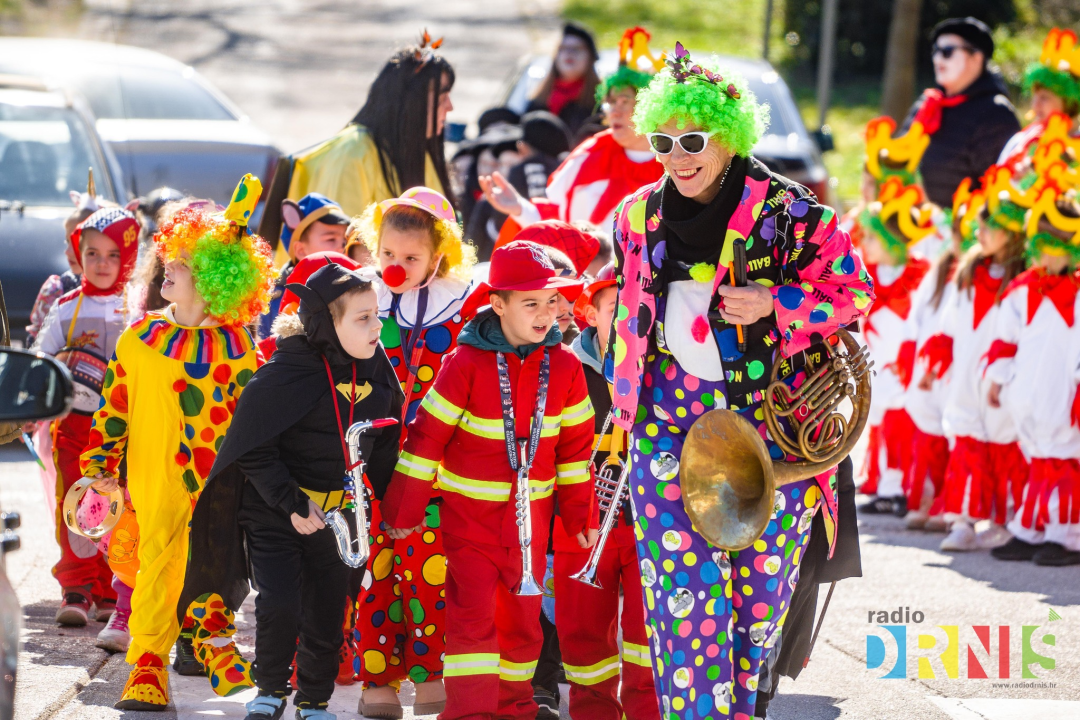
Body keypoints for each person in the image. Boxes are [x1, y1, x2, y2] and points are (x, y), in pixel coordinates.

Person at [605, 43, 873, 719]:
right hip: (666, 420)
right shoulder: (635, 217)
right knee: (682, 599)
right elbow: (628, 305)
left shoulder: (792, 213)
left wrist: (776, 304)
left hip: (771, 427)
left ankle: (744, 707)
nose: (677, 156)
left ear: (728, 137)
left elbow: (856, 293)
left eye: (692, 140)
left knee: (756, 607)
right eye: (663, 141)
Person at [379, 240, 598, 720]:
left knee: (523, 623)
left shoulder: (565, 366)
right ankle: (470, 713)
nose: (546, 313)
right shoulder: (466, 362)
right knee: (473, 620)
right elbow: (426, 439)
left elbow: (577, 451)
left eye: (552, 301)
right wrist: (403, 510)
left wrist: (581, 514)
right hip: (470, 523)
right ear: (497, 304)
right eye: (530, 303)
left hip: (531, 527)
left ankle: (515, 709)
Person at [80, 175, 274, 710]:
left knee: (218, 563)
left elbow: (254, 422)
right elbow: (113, 408)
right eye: (173, 256)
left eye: (185, 263)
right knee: (158, 565)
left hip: (219, 484)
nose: (171, 266)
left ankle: (212, 639)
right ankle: (146, 662)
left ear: (217, 281)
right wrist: (99, 465)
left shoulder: (240, 349)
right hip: (153, 479)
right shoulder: (139, 340)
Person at [196, 262, 403, 720]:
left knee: (329, 609)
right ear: (326, 323)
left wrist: (394, 504)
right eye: (363, 318)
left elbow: (387, 445)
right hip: (275, 510)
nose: (377, 326)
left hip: (338, 513)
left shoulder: (378, 371)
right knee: (281, 602)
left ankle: (314, 700)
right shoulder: (284, 372)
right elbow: (250, 447)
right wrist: (290, 502)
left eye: (377, 314)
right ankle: (269, 690)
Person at [352, 186, 475, 717]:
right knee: (373, 571)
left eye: (411, 257)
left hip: (435, 463)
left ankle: (432, 674)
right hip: (370, 462)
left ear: (438, 255)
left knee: (429, 568)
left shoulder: (464, 300)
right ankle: (376, 681)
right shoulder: (360, 298)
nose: (395, 266)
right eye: (387, 255)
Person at [550, 263, 659, 720]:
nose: (629, 319)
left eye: (640, 309)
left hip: (651, 518)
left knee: (647, 635)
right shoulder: (563, 366)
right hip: (582, 520)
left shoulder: (666, 368)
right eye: (617, 308)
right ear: (589, 314)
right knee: (582, 635)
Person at [32, 207, 140, 633]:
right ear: (78, 254)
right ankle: (77, 588)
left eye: (113, 255)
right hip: (75, 428)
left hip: (124, 434)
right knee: (74, 505)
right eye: (92, 253)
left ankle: (116, 587)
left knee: (118, 509)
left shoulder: (140, 310)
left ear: (129, 258)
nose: (100, 264)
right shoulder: (64, 308)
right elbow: (41, 362)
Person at [259, 34, 456, 243]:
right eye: (442, 97)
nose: (450, 107)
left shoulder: (417, 154)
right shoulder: (353, 153)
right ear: (409, 103)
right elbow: (339, 251)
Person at [482, 27, 665, 245]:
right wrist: (519, 208)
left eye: (625, 102)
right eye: (610, 102)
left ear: (650, 108)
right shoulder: (590, 153)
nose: (614, 111)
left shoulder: (678, 160)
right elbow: (557, 220)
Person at [926, 189, 1028, 552]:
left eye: (989, 226)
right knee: (966, 442)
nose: (979, 233)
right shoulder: (967, 272)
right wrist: (936, 357)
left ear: (1013, 234)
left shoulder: (1022, 282)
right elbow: (950, 323)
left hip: (1003, 379)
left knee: (1004, 444)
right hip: (966, 375)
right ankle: (963, 520)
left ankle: (1004, 520)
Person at [987, 191, 1080, 567]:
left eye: (1051, 247)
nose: (1042, 256)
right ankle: (1034, 526)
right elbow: (1005, 339)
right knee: (1038, 459)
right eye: (1038, 246)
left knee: (1060, 459)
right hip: (1027, 391)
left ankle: (1067, 533)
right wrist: (997, 380)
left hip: (1063, 392)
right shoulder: (1023, 289)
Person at [898, 183, 979, 531]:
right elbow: (919, 316)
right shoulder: (942, 271)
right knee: (929, 428)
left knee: (958, 432)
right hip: (932, 364)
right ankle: (928, 499)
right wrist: (914, 353)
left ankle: (953, 505)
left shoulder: (980, 277)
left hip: (963, 365)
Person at [855, 179, 933, 514]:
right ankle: (887, 485)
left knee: (903, 426)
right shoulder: (865, 274)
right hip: (877, 365)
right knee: (882, 425)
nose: (866, 243)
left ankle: (905, 487)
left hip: (905, 367)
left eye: (872, 236)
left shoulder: (919, 274)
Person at [899, 17, 1020, 208]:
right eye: (935, 51)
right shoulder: (927, 103)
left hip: (963, 232)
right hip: (908, 223)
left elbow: (1000, 192)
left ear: (976, 57)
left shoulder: (996, 113)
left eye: (947, 52)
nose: (937, 59)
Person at [260, 193, 351, 338]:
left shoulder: (355, 290)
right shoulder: (272, 302)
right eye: (331, 239)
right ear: (301, 250)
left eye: (345, 241)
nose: (342, 248)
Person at [998, 27, 1080, 166]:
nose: (1035, 105)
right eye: (1034, 97)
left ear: (1071, 101)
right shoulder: (1022, 141)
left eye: (1044, 97)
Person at [527, 23, 601, 136]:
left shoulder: (601, 102)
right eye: (563, 48)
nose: (569, 53)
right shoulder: (538, 100)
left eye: (577, 49)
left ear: (591, 57)